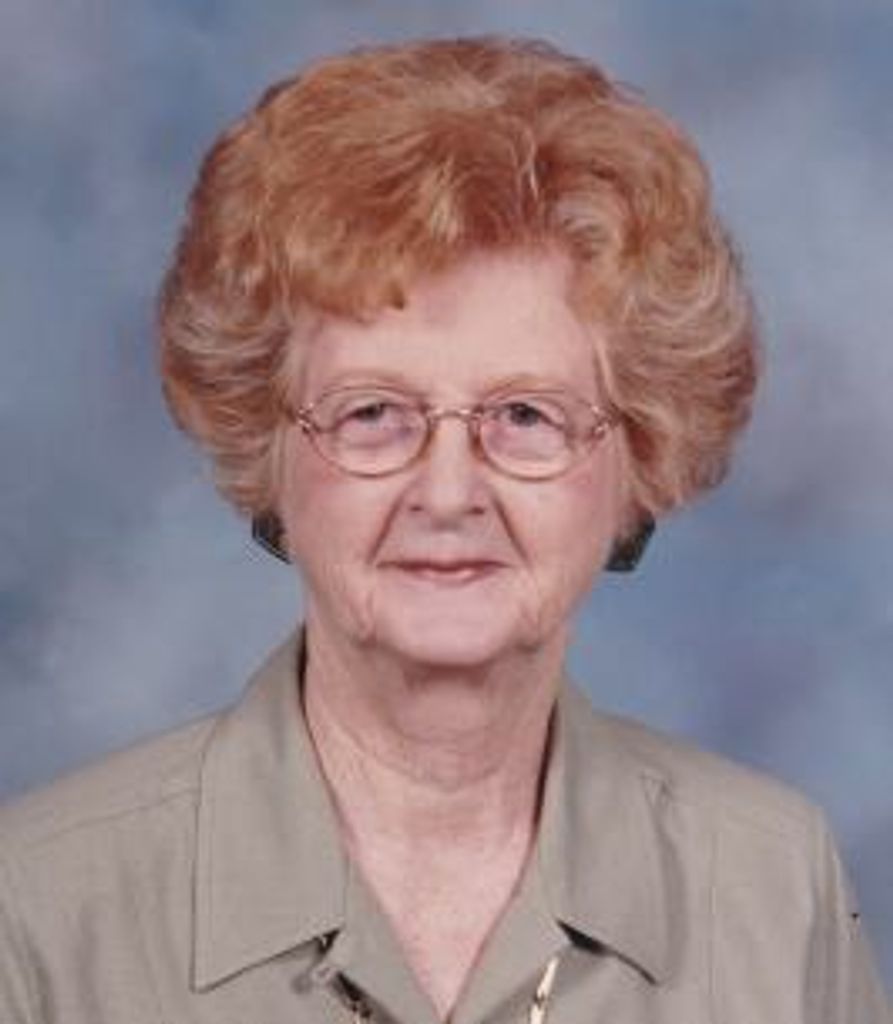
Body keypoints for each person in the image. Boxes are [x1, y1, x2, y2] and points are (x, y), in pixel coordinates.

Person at [0, 35, 888, 1024]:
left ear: (637, 454)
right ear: (268, 448)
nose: (449, 489)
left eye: (526, 415)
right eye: (374, 413)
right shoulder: (40, 910)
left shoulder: (772, 886)